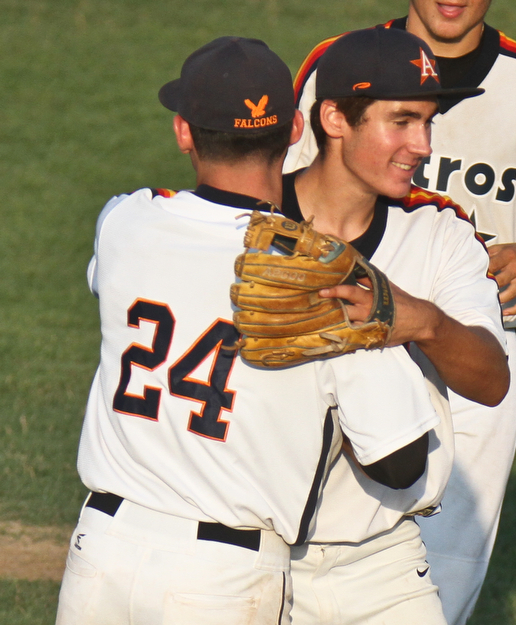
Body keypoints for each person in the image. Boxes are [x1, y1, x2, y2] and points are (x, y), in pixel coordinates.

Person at [54, 36, 448, 625]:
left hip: (101, 551)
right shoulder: (323, 278)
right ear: (294, 130)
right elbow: (400, 463)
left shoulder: (124, 222)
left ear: (183, 131)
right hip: (221, 581)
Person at [285, 3, 516, 623]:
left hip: (474, 344)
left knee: (443, 571)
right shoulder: (341, 65)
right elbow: (283, 183)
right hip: (337, 332)